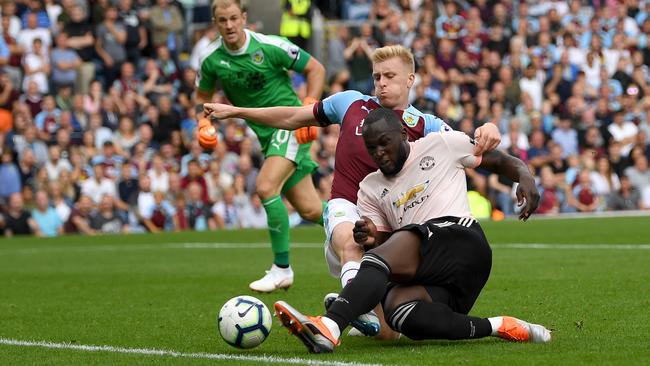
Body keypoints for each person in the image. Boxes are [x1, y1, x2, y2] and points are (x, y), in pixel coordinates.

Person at [204, 45, 501, 338]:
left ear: (410, 79)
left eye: (389, 76)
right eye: (376, 77)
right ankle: (348, 311)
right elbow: (293, 117)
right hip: (347, 204)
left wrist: (489, 128)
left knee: (387, 334)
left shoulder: (425, 124)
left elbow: (473, 150)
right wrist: (237, 112)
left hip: (389, 222)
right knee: (352, 243)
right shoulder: (350, 102)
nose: (381, 83)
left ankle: (363, 310)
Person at [272, 108, 550, 353]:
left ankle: (331, 325)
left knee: (383, 255)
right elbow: (383, 238)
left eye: (385, 143)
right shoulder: (369, 188)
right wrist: (370, 235)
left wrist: (525, 177)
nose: (379, 153)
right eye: (372, 149)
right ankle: (499, 325)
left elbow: (499, 161)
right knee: (399, 311)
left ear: (403, 134)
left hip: (464, 243)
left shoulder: (441, 144)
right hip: (443, 283)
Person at [195, 0, 327, 293]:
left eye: (233, 18)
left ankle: (282, 268)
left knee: (266, 187)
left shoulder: (270, 46)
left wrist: (309, 108)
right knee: (310, 209)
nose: (229, 25)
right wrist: (203, 124)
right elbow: (201, 97)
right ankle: (362, 234)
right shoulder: (210, 59)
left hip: (290, 125)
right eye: (222, 21)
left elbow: (316, 69)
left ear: (243, 18)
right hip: (266, 137)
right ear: (215, 24)